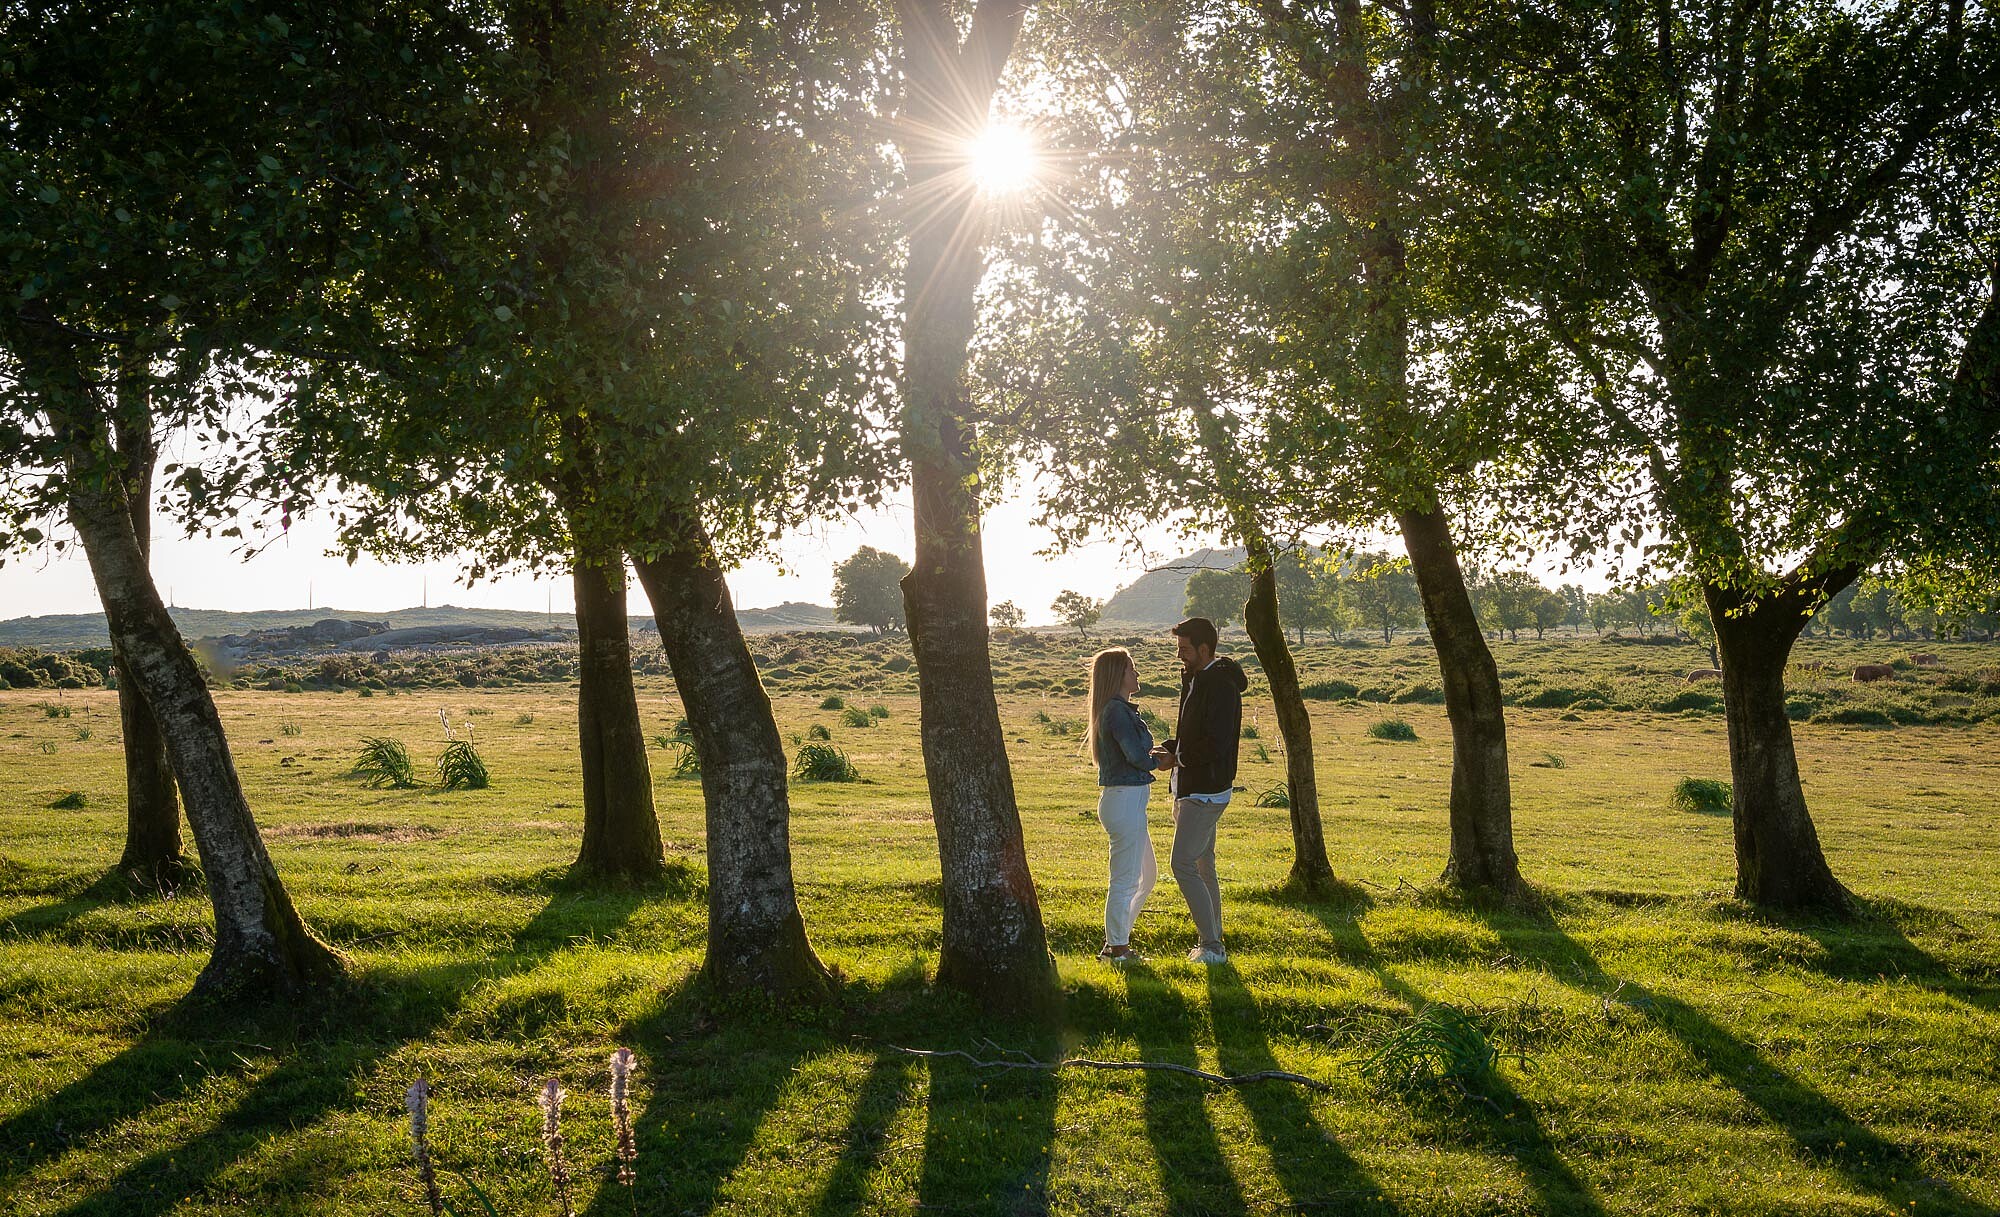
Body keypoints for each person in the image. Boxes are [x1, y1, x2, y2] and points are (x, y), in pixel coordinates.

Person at [1154, 616, 1246, 964]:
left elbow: (1216, 744)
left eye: (1185, 649)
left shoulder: (1219, 685)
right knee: (1204, 864)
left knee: (1182, 863)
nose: (1180, 655)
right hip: (1192, 786)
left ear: (1204, 649)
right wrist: (1168, 747)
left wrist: (1177, 759)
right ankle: (1214, 941)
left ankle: (1211, 946)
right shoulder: (1196, 678)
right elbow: (1194, 735)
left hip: (1204, 791)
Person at [1087, 646, 1162, 963]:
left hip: (1126, 801)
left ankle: (1117, 940)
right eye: (1132, 668)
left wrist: (1152, 756)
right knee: (1125, 879)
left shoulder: (1118, 709)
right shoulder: (1117, 711)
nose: (1137, 673)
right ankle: (1117, 949)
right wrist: (1158, 760)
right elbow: (1135, 756)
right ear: (1119, 674)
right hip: (1125, 801)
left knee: (1147, 876)